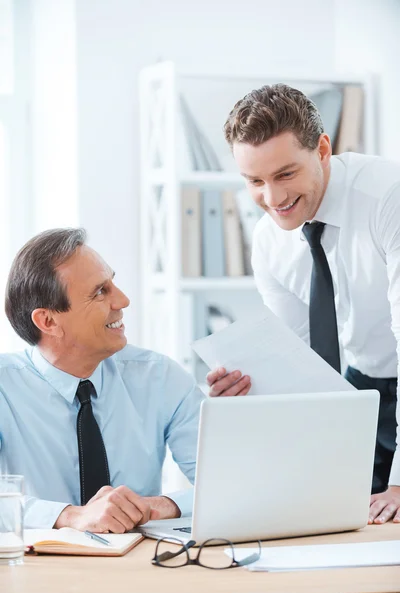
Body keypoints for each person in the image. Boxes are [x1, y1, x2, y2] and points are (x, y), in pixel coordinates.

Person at [207, 83, 400, 525]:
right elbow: (301, 363)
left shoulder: (389, 198)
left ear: (323, 149)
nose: (273, 200)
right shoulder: (268, 241)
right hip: (360, 386)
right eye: (255, 182)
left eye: (285, 174)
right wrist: (247, 387)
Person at [0, 228, 203, 531]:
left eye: (113, 283)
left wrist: (161, 506)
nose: (122, 300)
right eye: (99, 292)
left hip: (141, 566)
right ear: (48, 321)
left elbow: (229, 487)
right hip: (35, 570)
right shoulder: (5, 388)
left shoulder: (160, 377)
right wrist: (71, 516)